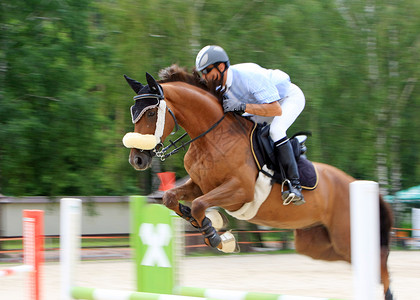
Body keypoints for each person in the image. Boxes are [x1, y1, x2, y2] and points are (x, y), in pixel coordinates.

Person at [195, 45, 306, 205]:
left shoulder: (248, 76)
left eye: (206, 71)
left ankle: (294, 185)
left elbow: (276, 109)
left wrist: (242, 106)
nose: (204, 77)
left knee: (276, 130)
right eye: (201, 73)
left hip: (287, 99)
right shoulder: (219, 84)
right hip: (262, 106)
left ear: (220, 67)